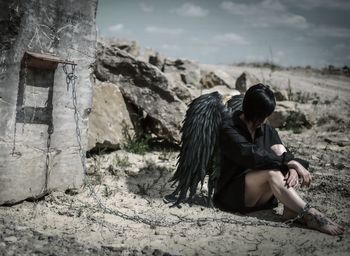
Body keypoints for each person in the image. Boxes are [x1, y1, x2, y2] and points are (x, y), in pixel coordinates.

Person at [213, 83, 345, 235]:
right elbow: (250, 155)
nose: (266, 119)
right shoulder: (229, 128)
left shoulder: (266, 129)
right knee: (272, 172)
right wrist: (288, 162)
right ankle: (312, 214)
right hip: (233, 196)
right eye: (264, 115)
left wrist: (292, 167)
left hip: (261, 199)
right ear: (255, 112)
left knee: (280, 151)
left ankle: (290, 210)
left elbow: (285, 154)